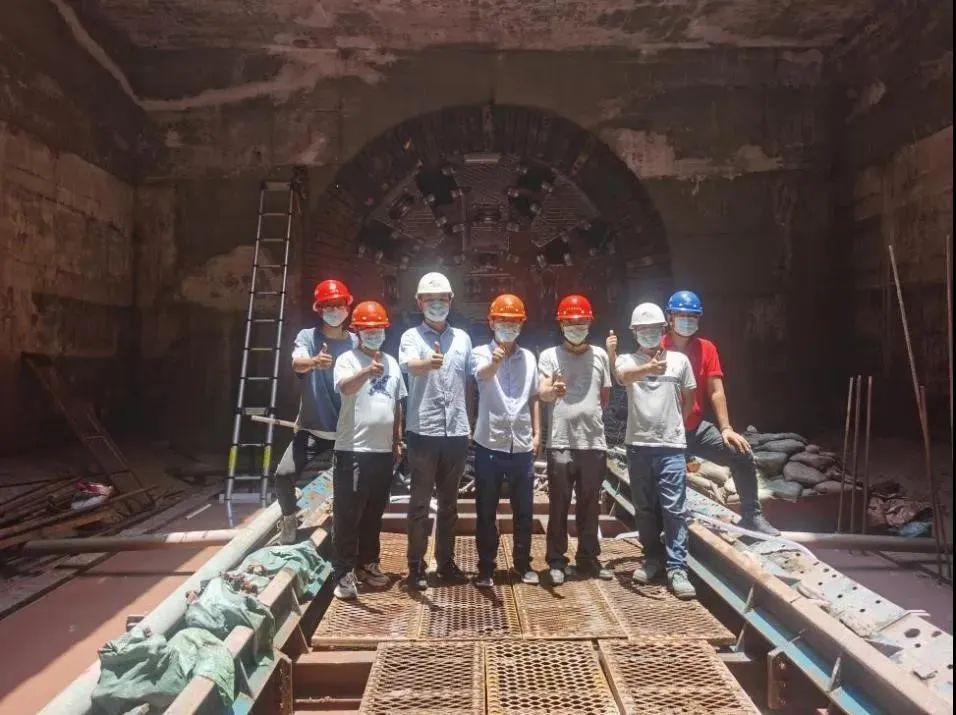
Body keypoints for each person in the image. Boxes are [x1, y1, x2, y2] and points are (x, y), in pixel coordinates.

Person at [662, 290, 779, 536]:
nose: (687, 320)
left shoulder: (706, 349)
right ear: (669, 317)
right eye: (681, 315)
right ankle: (665, 525)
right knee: (665, 480)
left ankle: (752, 516)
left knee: (740, 453)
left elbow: (715, 391)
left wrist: (726, 428)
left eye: (693, 316)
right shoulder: (657, 347)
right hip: (665, 433)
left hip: (694, 427)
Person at [609, 302, 697, 599]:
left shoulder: (680, 361)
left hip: (671, 446)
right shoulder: (626, 360)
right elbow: (623, 377)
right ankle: (652, 559)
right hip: (639, 446)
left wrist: (676, 426)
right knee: (645, 508)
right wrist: (648, 368)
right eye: (642, 329)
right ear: (634, 332)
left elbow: (689, 398)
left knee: (674, 509)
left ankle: (677, 568)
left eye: (654, 329)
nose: (649, 334)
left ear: (663, 330)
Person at [399, 272, 473, 590]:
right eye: (430, 299)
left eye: (442, 299)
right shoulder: (410, 337)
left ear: (451, 301)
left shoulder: (463, 339)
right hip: (423, 431)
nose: (437, 304)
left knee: (449, 504)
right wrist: (428, 362)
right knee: (419, 504)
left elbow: (469, 383)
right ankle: (415, 566)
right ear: (419, 302)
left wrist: (469, 422)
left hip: (456, 431)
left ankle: (445, 562)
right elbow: (408, 366)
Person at [330, 301, 407, 600]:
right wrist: (365, 372)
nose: (374, 334)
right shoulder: (347, 360)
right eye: (367, 330)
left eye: (379, 329)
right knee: (348, 513)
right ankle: (343, 572)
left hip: (382, 451)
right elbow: (345, 388)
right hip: (353, 450)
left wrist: (396, 440)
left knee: (374, 511)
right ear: (358, 332)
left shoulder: (392, 362)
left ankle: (368, 563)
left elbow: (396, 404)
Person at [538, 294, 613, 585]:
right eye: (570, 322)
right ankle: (557, 560)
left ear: (590, 323)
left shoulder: (601, 355)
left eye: (581, 322)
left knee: (590, 503)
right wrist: (553, 391)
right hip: (561, 441)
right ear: (561, 325)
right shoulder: (549, 355)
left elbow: (604, 396)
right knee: (558, 504)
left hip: (592, 441)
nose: (576, 327)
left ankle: (588, 557)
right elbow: (543, 392)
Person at [274, 279, 355, 545]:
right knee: (283, 476)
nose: (334, 311)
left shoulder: (356, 342)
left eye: (339, 305)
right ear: (319, 309)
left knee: (348, 488)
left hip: (346, 432)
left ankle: (343, 538)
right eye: (328, 306)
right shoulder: (308, 338)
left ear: (347, 308)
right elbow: (297, 363)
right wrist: (314, 361)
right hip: (312, 429)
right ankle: (289, 518)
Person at [471, 294, 541, 588]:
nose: (508, 327)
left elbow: (534, 396)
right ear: (491, 323)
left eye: (514, 323)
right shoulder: (480, 353)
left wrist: (538, 433)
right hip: (490, 442)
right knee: (486, 509)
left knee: (524, 509)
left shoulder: (529, 358)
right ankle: (486, 567)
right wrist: (495, 362)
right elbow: (481, 375)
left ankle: (523, 563)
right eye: (502, 322)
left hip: (522, 444)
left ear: (521, 325)